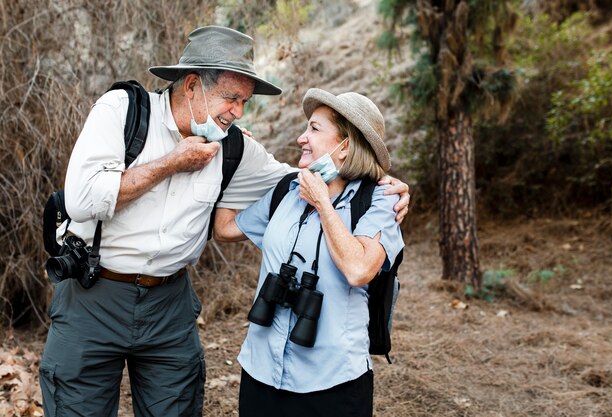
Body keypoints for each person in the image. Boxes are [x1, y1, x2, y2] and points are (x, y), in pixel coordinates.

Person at [40, 26, 409, 417]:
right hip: (93, 294)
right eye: (231, 99)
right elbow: (82, 200)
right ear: (193, 86)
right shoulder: (121, 111)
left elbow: (304, 177)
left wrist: (380, 179)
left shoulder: (234, 146)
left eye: (245, 102)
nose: (238, 112)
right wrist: (171, 163)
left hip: (170, 306)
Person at [214, 88, 404, 417]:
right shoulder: (287, 190)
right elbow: (225, 228)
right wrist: (237, 162)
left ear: (346, 146)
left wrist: (322, 203)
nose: (302, 137)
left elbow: (359, 270)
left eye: (314, 129)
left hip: (332, 383)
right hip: (261, 372)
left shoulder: (379, 201)